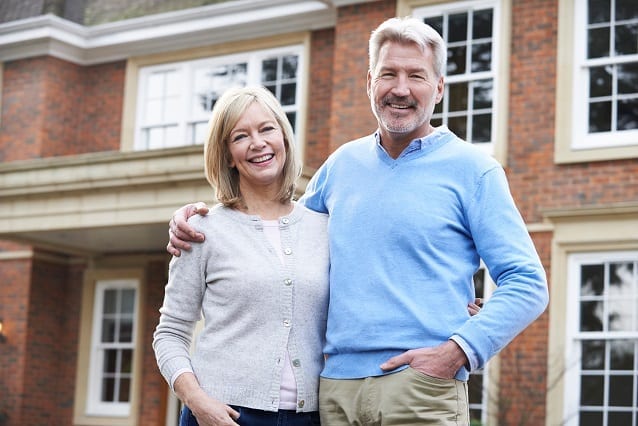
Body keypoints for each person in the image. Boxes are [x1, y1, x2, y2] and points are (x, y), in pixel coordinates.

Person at [166, 16, 549, 425]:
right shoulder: (340, 168)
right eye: (388, 74)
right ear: (370, 83)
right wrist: (196, 217)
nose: (400, 88)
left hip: (419, 387)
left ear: (438, 87)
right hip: (332, 394)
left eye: (415, 75)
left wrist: (459, 347)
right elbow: (277, 234)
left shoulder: (474, 171)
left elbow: (527, 284)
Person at [153, 86, 329, 426]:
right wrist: (197, 401)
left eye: (267, 129)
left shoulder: (323, 228)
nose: (257, 143)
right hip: (222, 415)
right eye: (241, 136)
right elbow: (170, 332)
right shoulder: (203, 230)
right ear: (228, 155)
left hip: (310, 416)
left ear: (284, 138)